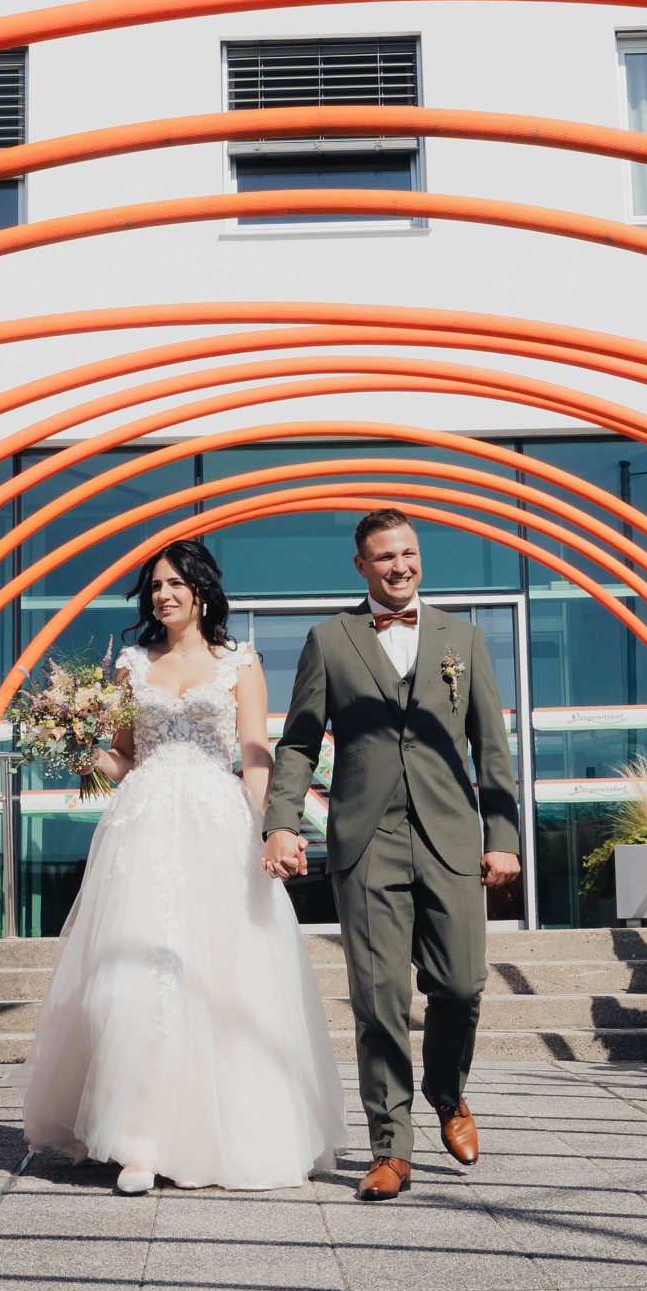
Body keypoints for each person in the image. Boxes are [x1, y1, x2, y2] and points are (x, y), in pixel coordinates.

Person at [37, 538, 347, 1192]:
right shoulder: (131, 664)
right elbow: (122, 756)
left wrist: (271, 829)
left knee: (224, 973)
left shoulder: (241, 662)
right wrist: (80, 751)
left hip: (216, 822)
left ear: (202, 588)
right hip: (143, 824)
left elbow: (257, 753)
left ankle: (222, 1130)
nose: (163, 594)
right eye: (154, 586)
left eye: (175, 582)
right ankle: (138, 1140)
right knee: (132, 979)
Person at [260, 512, 519, 1199]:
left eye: (408, 553)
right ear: (360, 567)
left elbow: (492, 747)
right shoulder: (329, 640)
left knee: (462, 986)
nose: (399, 566)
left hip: (451, 836)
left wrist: (503, 837)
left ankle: (446, 1090)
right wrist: (281, 823)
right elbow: (298, 743)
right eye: (384, 557)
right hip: (367, 838)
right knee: (379, 1001)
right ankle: (390, 1148)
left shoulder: (462, 637)